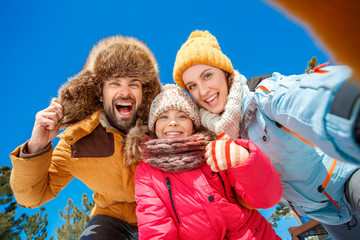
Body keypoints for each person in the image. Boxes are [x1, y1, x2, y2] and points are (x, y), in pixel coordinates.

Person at [172, 30, 360, 239]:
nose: (203, 90)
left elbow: (305, 99)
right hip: (327, 214)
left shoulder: (261, 96)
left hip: (346, 178)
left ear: (225, 73)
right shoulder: (219, 139)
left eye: (207, 75)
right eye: (192, 86)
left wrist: (348, 106)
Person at [9, 35, 161, 239]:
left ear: (144, 93)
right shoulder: (77, 140)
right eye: (115, 83)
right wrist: (36, 146)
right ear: (100, 94)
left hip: (160, 212)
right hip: (109, 218)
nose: (125, 92)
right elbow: (31, 197)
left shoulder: (162, 128)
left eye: (134, 84)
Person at [127, 84, 282, 239]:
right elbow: (155, 226)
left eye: (182, 116)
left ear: (193, 125)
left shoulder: (216, 149)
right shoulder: (147, 172)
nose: (173, 123)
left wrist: (244, 159)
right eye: (163, 117)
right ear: (153, 127)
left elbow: (268, 198)